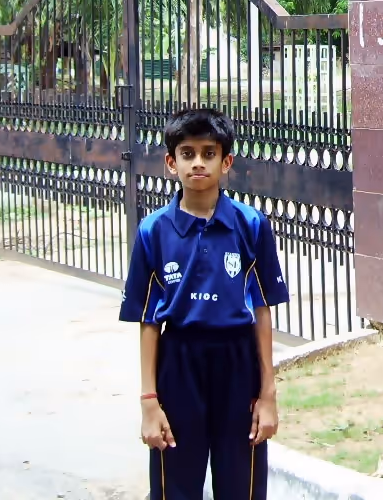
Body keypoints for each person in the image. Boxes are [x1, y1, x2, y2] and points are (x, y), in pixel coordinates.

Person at [120, 108, 289, 500]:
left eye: (209, 153)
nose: (198, 162)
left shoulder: (251, 225)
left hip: (236, 363)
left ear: (226, 161)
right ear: (170, 163)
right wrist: (149, 401)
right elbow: (148, 321)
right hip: (178, 363)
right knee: (175, 485)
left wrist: (267, 395)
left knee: (240, 485)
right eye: (188, 153)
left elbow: (262, 311)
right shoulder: (153, 231)